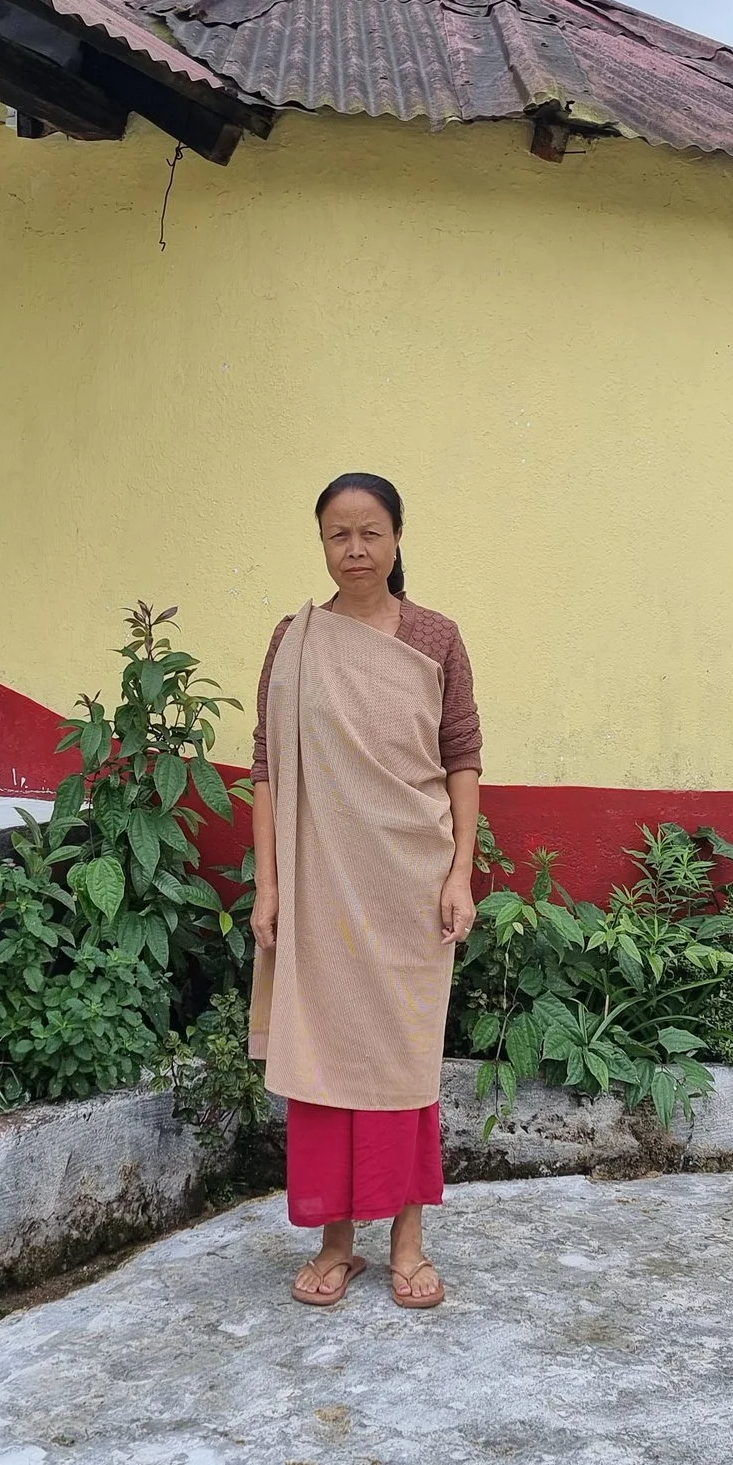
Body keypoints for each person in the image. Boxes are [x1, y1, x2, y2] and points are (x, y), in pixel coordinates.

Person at [249, 472, 483, 1311]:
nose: (355, 548)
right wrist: (268, 886)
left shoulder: (435, 636)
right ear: (322, 543)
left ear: (396, 538)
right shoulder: (296, 638)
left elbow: (462, 757)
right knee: (322, 1054)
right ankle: (335, 1241)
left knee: (403, 1059)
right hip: (319, 886)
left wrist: (460, 871)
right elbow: (269, 767)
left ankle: (408, 1239)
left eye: (370, 532)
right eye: (339, 534)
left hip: (409, 884)